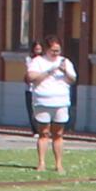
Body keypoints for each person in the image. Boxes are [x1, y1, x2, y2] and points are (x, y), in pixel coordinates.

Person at [26, 37, 76, 179]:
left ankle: (58, 164)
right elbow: (31, 77)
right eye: (53, 50)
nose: (56, 53)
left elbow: (72, 79)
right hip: (42, 101)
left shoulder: (65, 62)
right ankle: (41, 162)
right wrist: (50, 71)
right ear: (46, 49)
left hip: (61, 101)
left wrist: (65, 71)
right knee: (44, 133)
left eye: (58, 50)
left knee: (58, 134)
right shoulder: (38, 62)